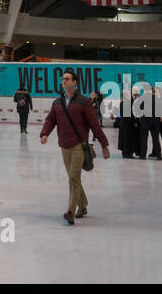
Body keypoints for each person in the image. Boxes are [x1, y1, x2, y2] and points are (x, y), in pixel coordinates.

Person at [39, 69, 111, 224]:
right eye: (63, 79)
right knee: (75, 178)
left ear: (74, 82)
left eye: (67, 79)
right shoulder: (57, 102)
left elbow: (94, 124)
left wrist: (104, 145)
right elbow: (51, 120)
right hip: (64, 146)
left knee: (72, 177)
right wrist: (44, 133)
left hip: (79, 145)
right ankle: (83, 205)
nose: (63, 81)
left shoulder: (84, 102)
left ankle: (70, 211)